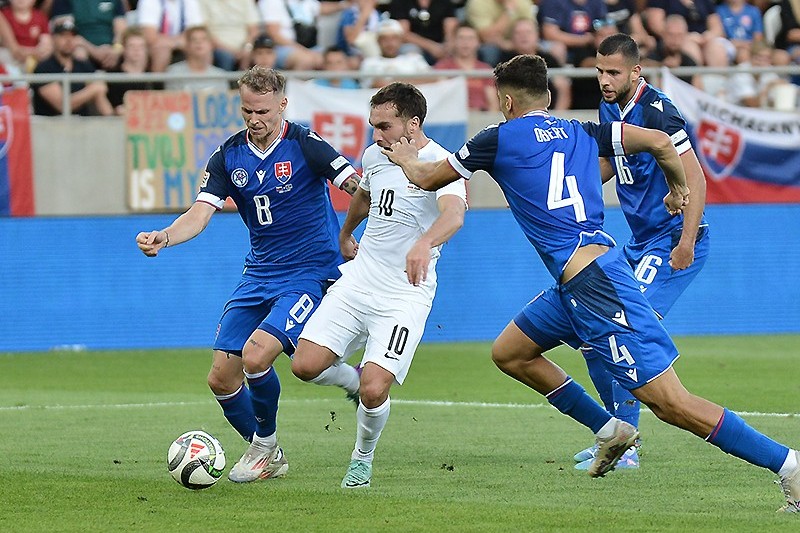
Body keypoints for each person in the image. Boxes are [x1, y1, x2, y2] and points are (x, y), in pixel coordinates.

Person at [384, 54, 800, 512]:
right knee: (511, 352)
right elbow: (662, 143)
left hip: (599, 286)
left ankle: (790, 466)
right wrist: (678, 188)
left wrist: (406, 155)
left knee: (673, 405)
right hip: (580, 281)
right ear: (547, 95)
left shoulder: (496, 138)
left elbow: (425, 178)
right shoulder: (583, 130)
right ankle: (611, 429)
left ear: (505, 100)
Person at [136, 66, 362, 484]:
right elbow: (199, 214)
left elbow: (356, 186)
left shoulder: (306, 144)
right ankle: (270, 450)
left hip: (311, 272)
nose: (255, 120)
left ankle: (262, 447)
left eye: (263, 111)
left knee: (258, 356)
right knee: (221, 377)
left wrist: (360, 230)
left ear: (282, 104)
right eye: (246, 111)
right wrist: (164, 236)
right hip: (258, 273)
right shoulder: (227, 156)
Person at [291, 82, 467, 489]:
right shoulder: (375, 155)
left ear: (413, 122)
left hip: (405, 293)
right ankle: (350, 378)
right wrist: (346, 233)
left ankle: (361, 458)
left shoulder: (442, 162)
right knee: (304, 366)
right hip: (360, 279)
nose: (376, 135)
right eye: (373, 125)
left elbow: (454, 215)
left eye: (385, 126)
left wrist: (425, 242)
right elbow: (365, 196)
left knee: (374, 390)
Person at [563, 33, 710, 470]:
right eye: (599, 71)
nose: (605, 80)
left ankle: (628, 449)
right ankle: (613, 433)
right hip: (640, 242)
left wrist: (684, 242)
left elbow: (695, 179)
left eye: (613, 72)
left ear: (635, 72)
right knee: (593, 336)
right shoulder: (611, 108)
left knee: (618, 330)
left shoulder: (658, 112)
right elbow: (611, 162)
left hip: (670, 243)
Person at [32, 18, 113, 116]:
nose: (69, 40)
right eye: (63, 36)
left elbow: (100, 91)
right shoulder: (44, 68)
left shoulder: (83, 65)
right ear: (53, 38)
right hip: (52, 126)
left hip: (83, 125)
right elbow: (61, 105)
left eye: (73, 36)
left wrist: (110, 118)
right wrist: (92, 90)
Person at [433, 24, 498, 112]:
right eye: (461, 38)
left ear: (478, 43)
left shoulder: (485, 70)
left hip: (481, 118)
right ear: (454, 41)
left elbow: (493, 104)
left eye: (470, 38)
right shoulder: (442, 67)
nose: (466, 43)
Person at [50, 0, 127, 69]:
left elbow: (121, 30)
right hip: (83, 46)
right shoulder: (64, 1)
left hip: (110, 49)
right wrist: (94, 51)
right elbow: (67, 33)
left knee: (131, 49)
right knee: (79, 53)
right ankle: (86, 84)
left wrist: (116, 50)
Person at [359, 18, 431, 88]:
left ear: (401, 40)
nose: (390, 43)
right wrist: (411, 82)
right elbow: (377, 85)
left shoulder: (414, 59)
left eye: (394, 38)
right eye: (385, 39)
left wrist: (391, 82)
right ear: (378, 41)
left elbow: (433, 78)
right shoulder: (369, 63)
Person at [107, 27, 162, 115]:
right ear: (124, 49)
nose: (136, 50)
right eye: (131, 46)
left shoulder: (154, 79)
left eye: (141, 46)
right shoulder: (112, 77)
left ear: (146, 50)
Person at [164, 25, 228, 92]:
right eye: (194, 39)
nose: (199, 42)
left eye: (204, 39)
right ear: (187, 46)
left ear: (211, 45)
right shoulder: (173, 73)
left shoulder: (220, 75)